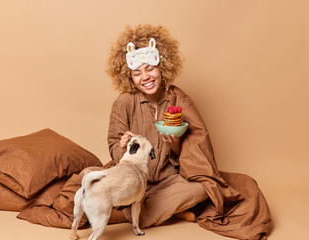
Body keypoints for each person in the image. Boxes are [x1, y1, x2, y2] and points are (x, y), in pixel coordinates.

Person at [105, 24, 271, 239]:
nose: (145, 77)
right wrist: (122, 147)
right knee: (89, 177)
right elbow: (113, 146)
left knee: (201, 189)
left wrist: (174, 143)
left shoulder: (179, 98)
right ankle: (171, 211)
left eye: (150, 68)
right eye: (137, 73)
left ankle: (133, 215)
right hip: (134, 180)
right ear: (129, 77)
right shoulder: (124, 102)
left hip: (169, 181)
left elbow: (197, 145)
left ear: (162, 67)